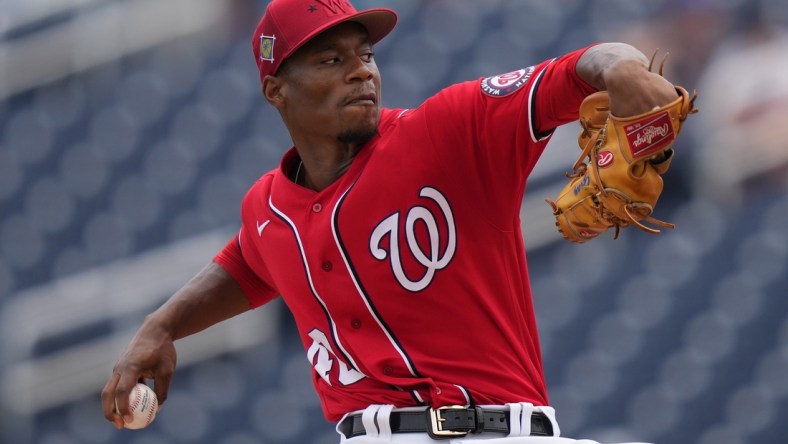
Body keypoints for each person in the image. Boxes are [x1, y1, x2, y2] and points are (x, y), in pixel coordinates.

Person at [101, 0, 683, 442]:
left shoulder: (447, 132)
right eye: (332, 59)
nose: (362, 72)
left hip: (503, 429)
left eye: (367, 55)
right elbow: (251, 261)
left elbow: (576, 70)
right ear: (276, 89)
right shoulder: (268, 208)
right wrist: (162, 325)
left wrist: (621, 66)